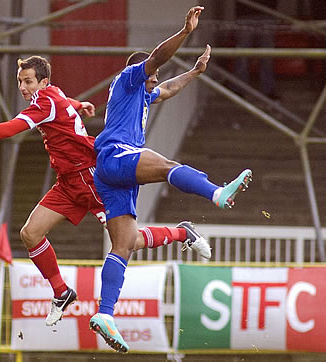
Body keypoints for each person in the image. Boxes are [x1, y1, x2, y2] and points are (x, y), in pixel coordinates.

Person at [0, 56, 211, 327]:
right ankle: (61, 292)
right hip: (68, 183)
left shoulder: (45, 102)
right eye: (20, 81)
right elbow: (64, 102)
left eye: (28, 81)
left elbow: (12, 128)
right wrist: (79, 105)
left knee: (129, 242)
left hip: (91, 178)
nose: (22, 87)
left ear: (43, 82)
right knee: (30, 233)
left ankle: (181, 232)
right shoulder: (51, 95)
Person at [89, 6, 252, 353]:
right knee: (166, 166)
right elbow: (156, 58)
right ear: (140, 70)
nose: (154, 78)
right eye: (152, 73)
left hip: (112, 175)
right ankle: (217, 193)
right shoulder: (129, 79)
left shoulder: (143, 93)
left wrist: (194, 72)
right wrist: (185, 33)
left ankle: (104, 313)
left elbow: (167, 88)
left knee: (124, 244)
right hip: (116, 155)